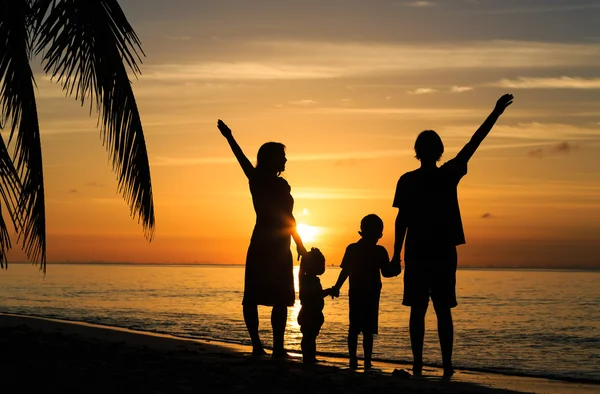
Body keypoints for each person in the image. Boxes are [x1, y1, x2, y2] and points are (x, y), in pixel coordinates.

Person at [391, 94, 514, 379]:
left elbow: (402, 221)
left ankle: (421, 364)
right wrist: (494, 113)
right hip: (441, 251)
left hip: (420, 252)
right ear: (438, 151)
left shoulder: (408, 180)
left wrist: (395, 254)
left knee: (419, 310)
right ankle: (445, 364)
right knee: (442, 310)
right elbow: (474, 143)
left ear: (418, 152)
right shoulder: (445, 174)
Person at [218, 119, 307, 358]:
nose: (286, 160)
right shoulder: (257, 179)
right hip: (263, 244)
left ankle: (278, 347)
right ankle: (257, 344)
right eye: (282, 156)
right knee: (254, 295)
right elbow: (242, 161)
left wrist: (299, 243)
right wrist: (229, 137)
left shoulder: (283, 185)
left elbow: (289, 217)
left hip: (281, 246)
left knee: (281, 298)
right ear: (271, 159)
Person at [332, 214, 398, 369]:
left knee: (355, 328)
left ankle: (354, 359)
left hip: (358, 293)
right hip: (369, 295)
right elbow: (386, 273)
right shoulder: (379, 251)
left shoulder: (353, 248)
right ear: (379, 234)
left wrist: (337, 287)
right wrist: (396, 267)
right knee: (366, 330)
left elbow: (345, 272)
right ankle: (365, 360)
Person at [297, 247, 335, 364]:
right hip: (310, 313)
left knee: (310, 337)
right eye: (321, 264)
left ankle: (309, 357)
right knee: (309, 337)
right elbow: (316, 295)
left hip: (313, 313)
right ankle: (309, 357)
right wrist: (328, 291)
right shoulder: (308, 280)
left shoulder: (307, 279)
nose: (323, 266)